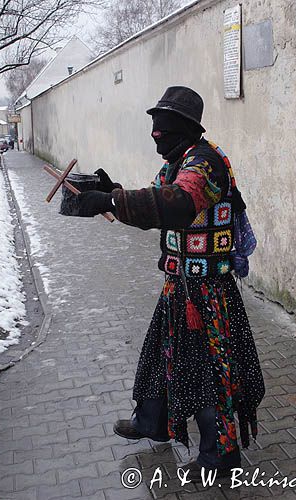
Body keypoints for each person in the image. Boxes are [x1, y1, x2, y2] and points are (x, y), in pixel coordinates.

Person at [75, 86, 265, 480]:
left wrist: (112, 202)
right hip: (178, 286)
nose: (154, 135)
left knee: (212, 374)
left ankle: (220, 460)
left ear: (182, 127)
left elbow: (176, 204)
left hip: (208, 296)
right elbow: (158, 197)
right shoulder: (179, 160)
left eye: (161, 128)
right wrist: (112, 190)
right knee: (161, 355)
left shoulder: (204, 162)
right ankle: (151, 422)